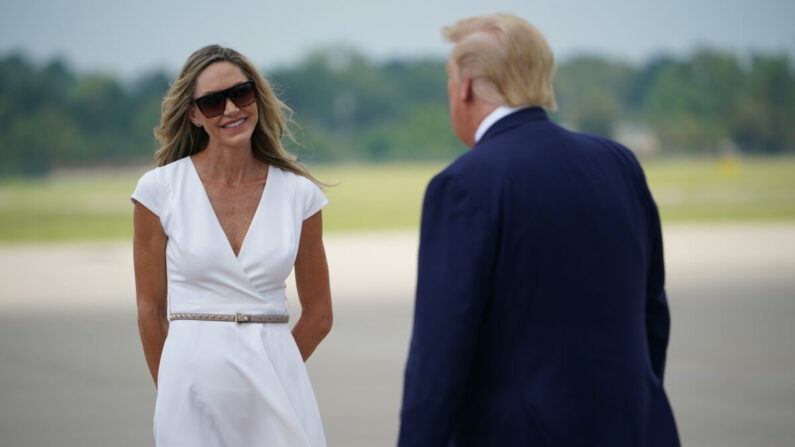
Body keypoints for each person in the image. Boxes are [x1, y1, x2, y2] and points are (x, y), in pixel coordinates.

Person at [399, 13, 680, 446]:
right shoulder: (619, 163)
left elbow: (440, 354)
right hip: (631, 427)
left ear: (467, 86)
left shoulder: (464, 183)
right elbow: (652, 314)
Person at [131, 45, 331, 446]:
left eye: (241, 93)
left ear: (256, 96)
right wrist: (173, 384)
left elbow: (319, 314)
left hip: (277, 386)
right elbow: (150, 312)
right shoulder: (159, 190)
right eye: (211, 102)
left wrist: (273, 370)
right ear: (193, 114)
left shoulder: (299, 194)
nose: (230, 110)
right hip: (189, 391)